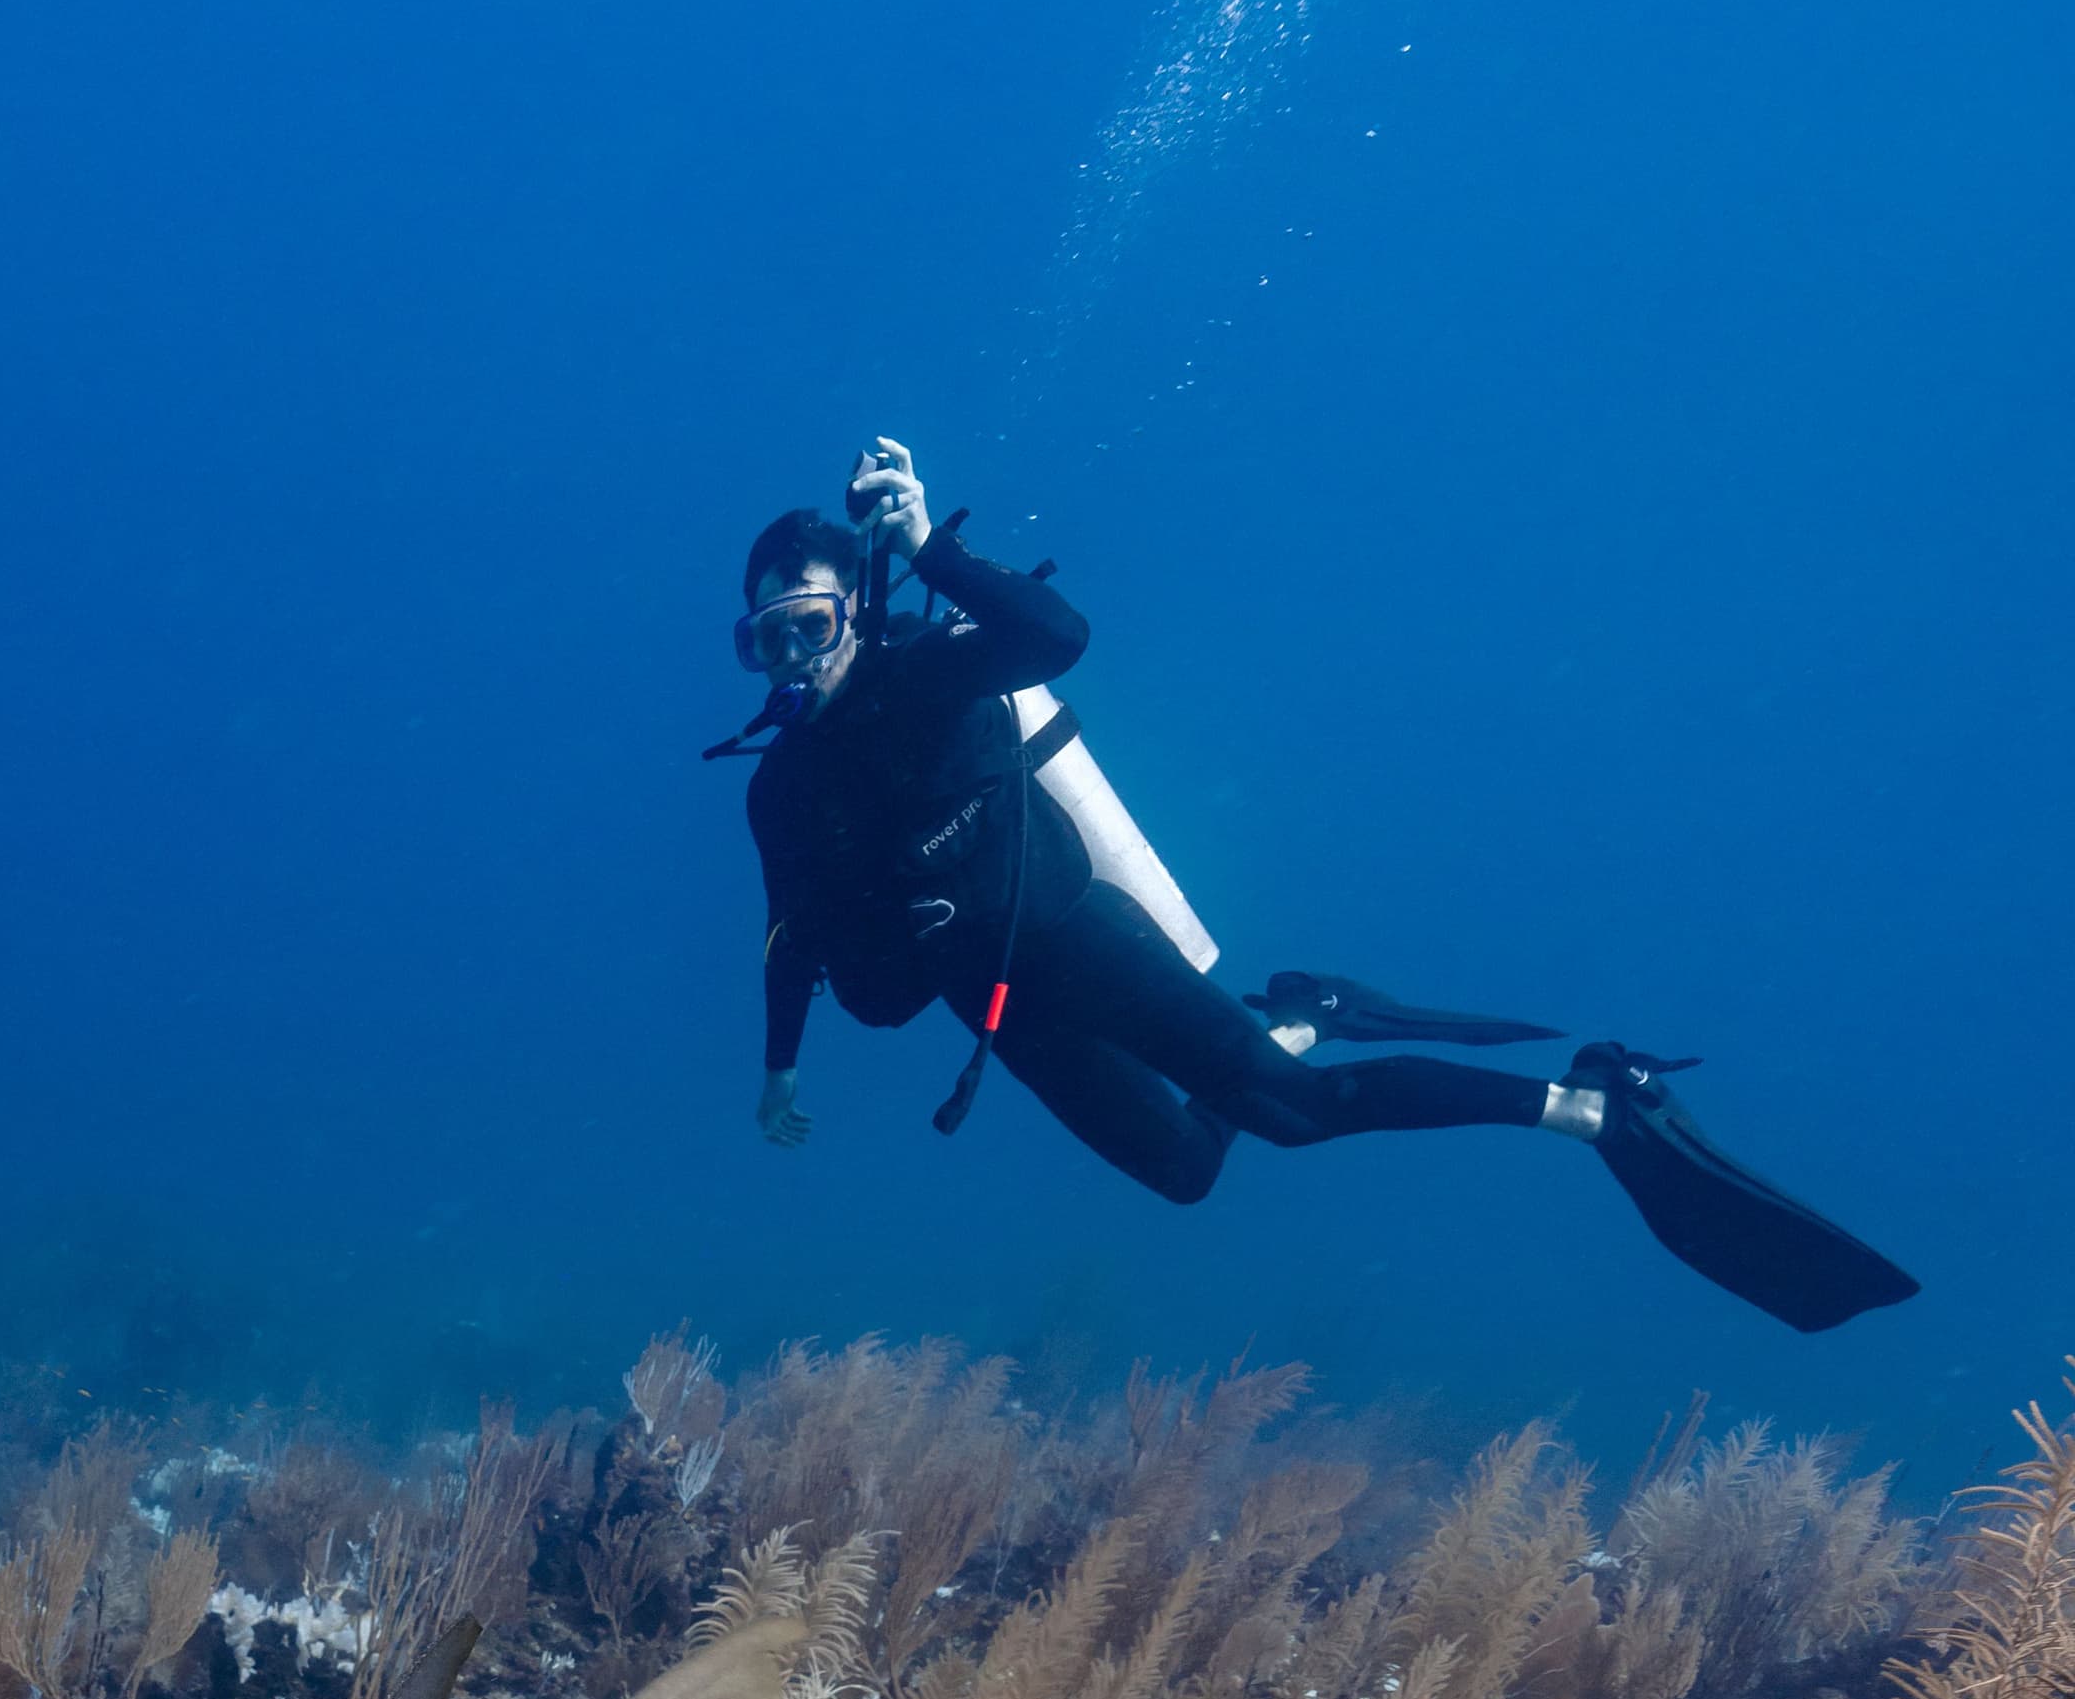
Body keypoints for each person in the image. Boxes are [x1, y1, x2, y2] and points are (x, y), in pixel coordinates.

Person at [727, 440, 1916, 1332]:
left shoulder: (931, 676)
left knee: (1290, 1115)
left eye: (807, 626)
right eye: (763, 639)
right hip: (999, 1011)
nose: (789, 661)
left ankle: (1590, 1103)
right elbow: (790, 932)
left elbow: (1055, 635)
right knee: (1190, 1173)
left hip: (1078, 940)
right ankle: (1309, 1011)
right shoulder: (778, 788)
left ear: (851, 617)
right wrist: (780, 1066)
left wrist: (931, 547)